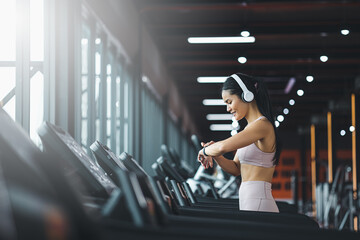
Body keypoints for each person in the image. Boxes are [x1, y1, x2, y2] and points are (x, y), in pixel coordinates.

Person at [197, 73, 281, 213]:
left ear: (246, 95)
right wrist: (216, 155)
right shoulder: (249, 130)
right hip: (249, 201)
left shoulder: (263, 126)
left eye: (229, 102)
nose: (228, 109)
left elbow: (223, 146)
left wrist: (205, 151)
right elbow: (236, 169)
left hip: (259, 202)